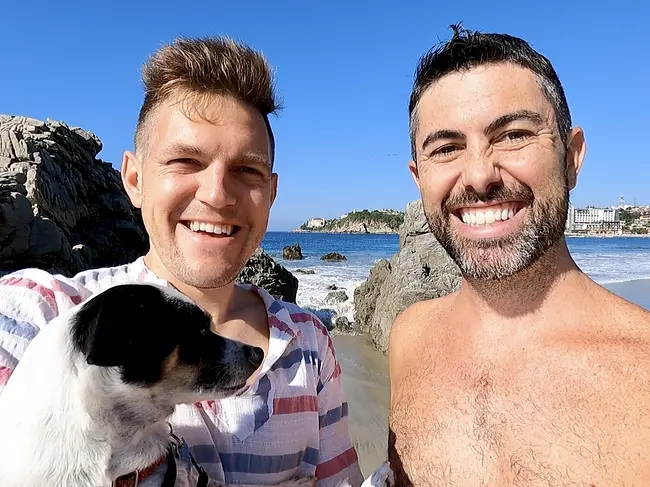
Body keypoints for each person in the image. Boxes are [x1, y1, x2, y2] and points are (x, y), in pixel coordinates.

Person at [0, 36, 363, 487]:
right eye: (185, 160)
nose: (217, 194)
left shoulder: (309, 344)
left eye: (246, 170)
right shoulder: (36, 311)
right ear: (133, 179)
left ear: (271, 193)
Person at [387, 25, 650, 486]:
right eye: (446, 148)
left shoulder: (641, 369)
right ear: (418, 177)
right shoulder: (408, 339)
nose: (479, 176)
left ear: (571, 157)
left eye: (512, 135)